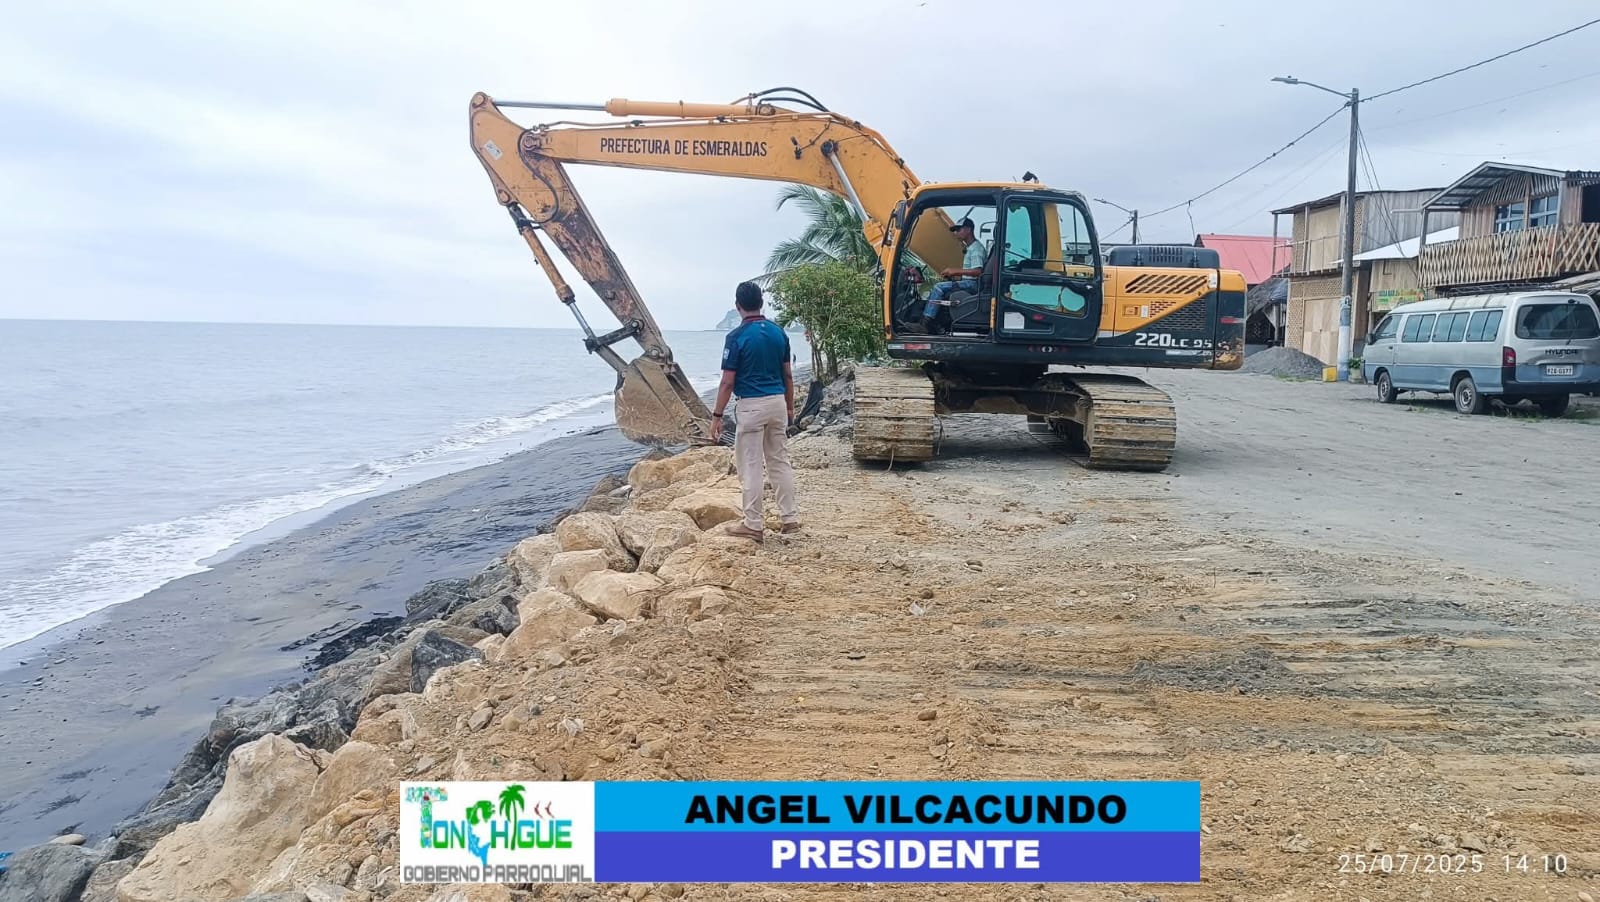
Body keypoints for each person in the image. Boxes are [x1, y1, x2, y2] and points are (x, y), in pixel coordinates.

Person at [710, 281, 800, 541]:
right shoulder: (778, 333)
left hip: (751, 405)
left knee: (750, 466)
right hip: (778, 402)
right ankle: (790, 518)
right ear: (761, 303)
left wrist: (717, 416)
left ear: (738, 306)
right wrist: (790, 406)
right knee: (779, 461)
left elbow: (727, 382)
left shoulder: (736, 337)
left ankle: (753, 524)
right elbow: (788, 375)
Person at [922, 216, 988, 329]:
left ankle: (925, 323)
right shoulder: (971, 247)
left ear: (968, 230)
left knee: (938, 287)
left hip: (972, 284)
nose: (956, 233)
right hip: (969, 282)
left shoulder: (976, 249)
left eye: (959, 229)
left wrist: (955, 271)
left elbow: (978, 271)